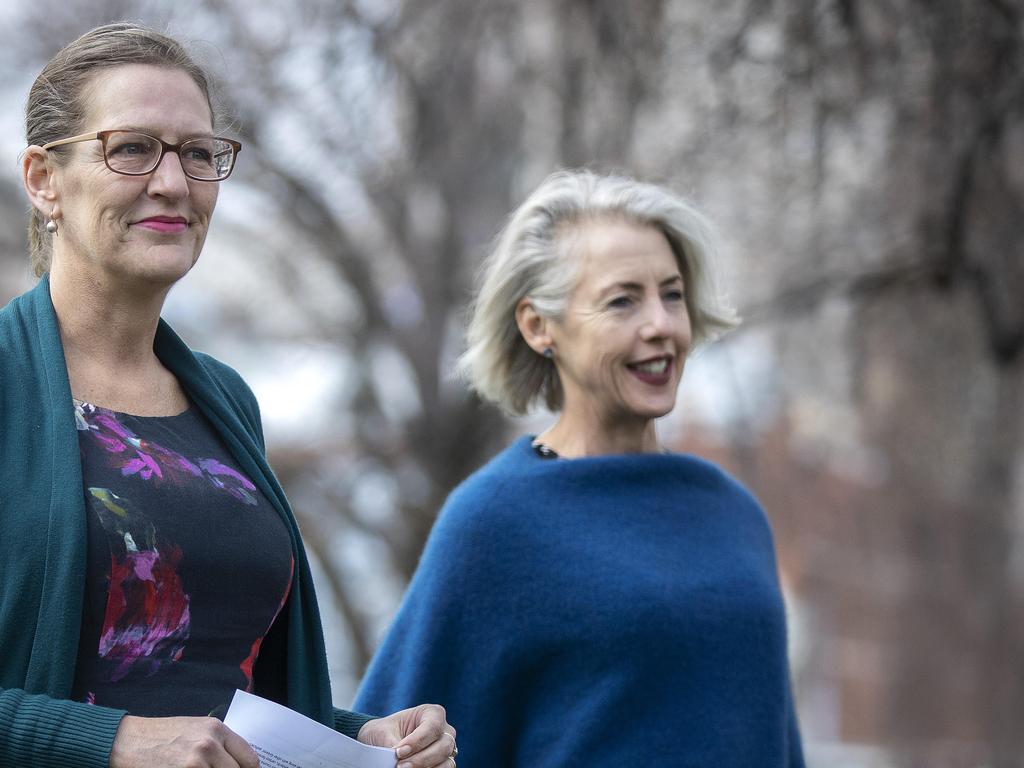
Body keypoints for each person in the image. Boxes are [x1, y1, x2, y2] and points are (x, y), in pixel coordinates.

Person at [0, 22, 457, 768]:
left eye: (198, 154)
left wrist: (355, 737)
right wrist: (111, 742)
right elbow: (145, 726)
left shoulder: (225, 401)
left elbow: (224, 698)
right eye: (133, 148)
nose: (174, 183)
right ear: (43, 177)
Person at [354, 169, 806, 766]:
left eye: (672, 294)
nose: (663, 325)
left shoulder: (734, 512)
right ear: (539, 326)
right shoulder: (494, 521)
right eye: (623, 300)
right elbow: (386, 742)